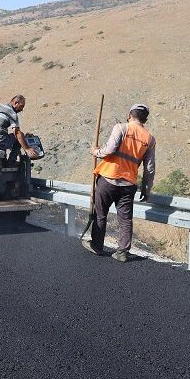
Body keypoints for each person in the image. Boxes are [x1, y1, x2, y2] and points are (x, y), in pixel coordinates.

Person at [84, 103, 156, 262]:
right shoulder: (149, 139)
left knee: (101, 214)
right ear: (145, 119)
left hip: (108, 179)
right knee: (125, 219)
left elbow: (109, 150)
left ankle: (97, 246)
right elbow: (149, 169)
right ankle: (122, 252)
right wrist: (146, 189)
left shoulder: (121, 128)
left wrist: (95, 151)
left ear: (130, 115)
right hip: (128, 184)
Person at [0, 95, 39, 161]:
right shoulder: (12, 113)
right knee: (21, 136)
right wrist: (27, 149)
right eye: (21, 106)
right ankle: (11, 162)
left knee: (15, 137)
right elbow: (18, 134)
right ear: (16, 103)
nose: (22, 109)